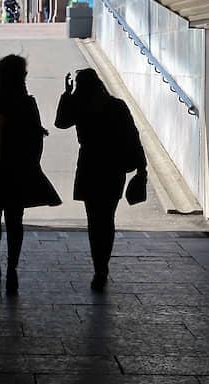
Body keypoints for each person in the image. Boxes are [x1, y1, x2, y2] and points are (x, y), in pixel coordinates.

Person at [0, 55, 61, 294]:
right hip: (18, 170)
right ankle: (12, 268)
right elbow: (36, 139)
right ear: (22, 76)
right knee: (14, 221)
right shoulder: (27, 103)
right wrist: (32, 165)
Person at [55, 68, 146, 291]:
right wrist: (141, 167)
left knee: (94, 220)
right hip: (113, 168)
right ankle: (103, 266)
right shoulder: (117, 106)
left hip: (89, 166)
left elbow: (61, 122)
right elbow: (133, 136)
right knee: (107, 218)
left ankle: (99, 267)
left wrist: (67, 94)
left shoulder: (80, 105)